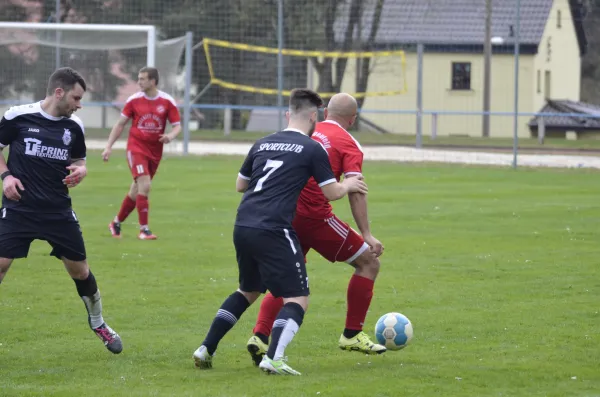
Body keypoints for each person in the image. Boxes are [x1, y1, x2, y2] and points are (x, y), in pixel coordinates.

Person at [192, 88, 368, 376]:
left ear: (288, 113)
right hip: (274, 228)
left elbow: (240, 185)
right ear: (313, 117)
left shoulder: (262, 143)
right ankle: (274, 358)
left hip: (243, 223)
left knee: (248, 290)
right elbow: (332, 192)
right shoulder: (312, 148)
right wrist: (349, 185)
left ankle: (206, 348)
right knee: (298, 298)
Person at [246, 93, 386, 365]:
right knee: (369, 263)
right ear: (353, 119)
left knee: (286, 278)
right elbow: (356, 190)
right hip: (315, 217)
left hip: (284, 214)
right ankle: (352, 333)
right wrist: (367, 234)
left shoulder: (306, 130)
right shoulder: (348, 142)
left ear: (324, 114)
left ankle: (260, 336)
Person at [0, 67, 122, 354]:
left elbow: (79, 161)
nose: (79, 105)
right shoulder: (18, 116)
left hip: (58, 212)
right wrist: (6, 176)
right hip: (20, 209)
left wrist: (81, 172)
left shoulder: (74, 127)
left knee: (80, 273)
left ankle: (99, 323)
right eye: (76, 98)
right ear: (59, 92)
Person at [102, 66, 181, 240]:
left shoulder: (167, 101)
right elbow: (120, 124)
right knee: (145, 185)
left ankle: (116, 223)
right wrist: (108, 146)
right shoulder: (134, 100)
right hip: (136, 148)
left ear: (153, 81)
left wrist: (170, 136)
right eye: (138, 78)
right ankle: (144, 230)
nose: (139, 82)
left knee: (136, 190)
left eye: (142, 79)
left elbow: (177, 126)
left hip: (155, 151)